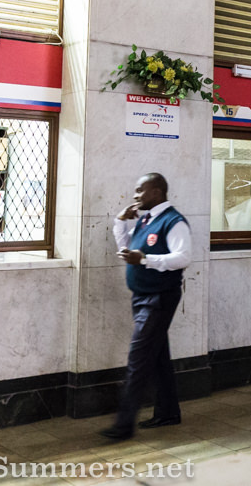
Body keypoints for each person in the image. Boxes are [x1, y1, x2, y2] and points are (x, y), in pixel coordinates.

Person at [100, 173, 192, 440]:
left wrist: (145, 260)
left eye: (140, 190)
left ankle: (123, 425)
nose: (135, 195)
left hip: (159, 298)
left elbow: (183, 257)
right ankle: (168, 413)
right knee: (158, 356)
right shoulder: (145, 220)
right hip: (141, 296)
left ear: (157, 192)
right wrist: (120, 221)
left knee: (138, 359)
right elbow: (127, 247)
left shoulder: (174, 222)